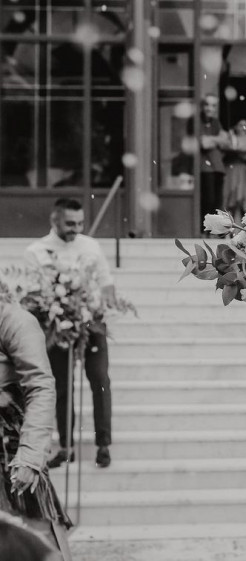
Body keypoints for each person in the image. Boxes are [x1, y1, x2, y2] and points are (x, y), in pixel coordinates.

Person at [24, 198, 115, 469]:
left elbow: (106, 283)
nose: (76, 229)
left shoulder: (91, 246)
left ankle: (103, 445)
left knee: (100, 380)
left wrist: (101, 305)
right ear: (55, 221)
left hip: (91, 323)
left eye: (80, 223)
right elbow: (32, 293)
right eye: (70, 224)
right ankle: (66, 447)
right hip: (56, 325)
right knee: (62, 386)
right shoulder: (36, 251)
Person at [0, 297, 72, 560]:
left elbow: (40, 387)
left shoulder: (16, 321)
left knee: (28, 544)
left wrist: (30, 456)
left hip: (10, 453)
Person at [194, 94, 230, 230]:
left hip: (218, 167)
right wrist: (218, 139)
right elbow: (204, 143)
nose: (210, 108)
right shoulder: (197, 121)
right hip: (205, 167)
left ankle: (213, 229)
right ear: (202, 106)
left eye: (213, 105)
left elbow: (226, 142)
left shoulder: (215, 122)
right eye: (207, 105)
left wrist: (213, 139)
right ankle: (204, 229)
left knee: (217, 201)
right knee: (208, 200)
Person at [223, 119, 246, 223]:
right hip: (229, 171)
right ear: (235, 126)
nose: (243, 128)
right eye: (240, 125)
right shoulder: (229, 138)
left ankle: (244, 226)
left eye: (245, 125)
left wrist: (243, 156)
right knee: (229, 198)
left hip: (242, 172)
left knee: (243, 199)